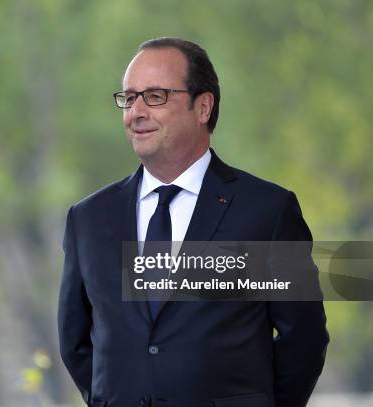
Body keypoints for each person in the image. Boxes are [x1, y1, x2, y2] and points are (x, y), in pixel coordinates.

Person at [57, 38, 329, 407]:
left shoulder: (267, 211)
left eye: (154, 96)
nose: (135, 111)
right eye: (128, 97)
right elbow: (76, 343)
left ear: (203, 107)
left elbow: (304, 339)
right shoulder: (88, 219)